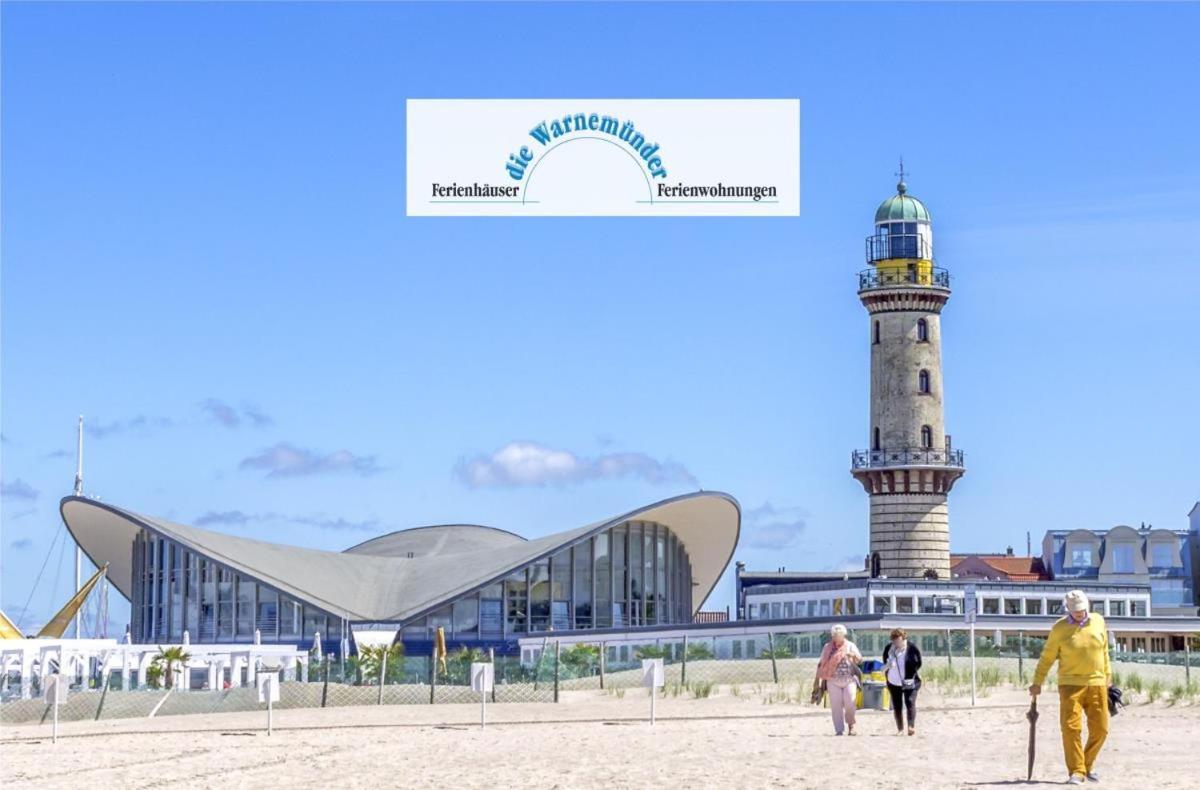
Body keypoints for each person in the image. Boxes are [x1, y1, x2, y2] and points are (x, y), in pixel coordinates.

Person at [1029, 589, 1112, 785]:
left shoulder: (1098, 621)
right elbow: (1047, 657)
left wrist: (1108, 677)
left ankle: (1086, 765)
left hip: (1097, 683)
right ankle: (1076, 770)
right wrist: (1037, 682)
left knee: (1101, 729)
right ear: (1068, 608)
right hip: (1069, 685)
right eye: (1075, 610)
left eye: (1082, 609)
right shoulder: (1059, 628)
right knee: (1071, 729)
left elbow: (1105, 651)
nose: (1079, 613)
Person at [815, 623, 862, 736]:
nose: (837, 637)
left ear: (844, 635)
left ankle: (851, 725)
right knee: (836, 706)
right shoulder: (827, 647)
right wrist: (818, 680)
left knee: (850, 702)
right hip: (832, 680)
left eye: (839, 635)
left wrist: (853, 656)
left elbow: (860, 660)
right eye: (835, 635)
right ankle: (839, 729)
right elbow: (822, 663)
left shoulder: (850, 645)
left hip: (849, 679)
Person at [882, 627, 922, 736]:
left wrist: (910, 672)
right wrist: (889, 665)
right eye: (894, 640)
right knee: (897, 705)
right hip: (893, 681)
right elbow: (884, 661)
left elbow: (918, 662)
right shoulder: (889, 648)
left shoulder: (912, 647)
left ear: (903, 637)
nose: (896, 642)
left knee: (910, 701)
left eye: (898, 639)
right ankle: (900, 729)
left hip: (909, 680)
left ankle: (911, 726)